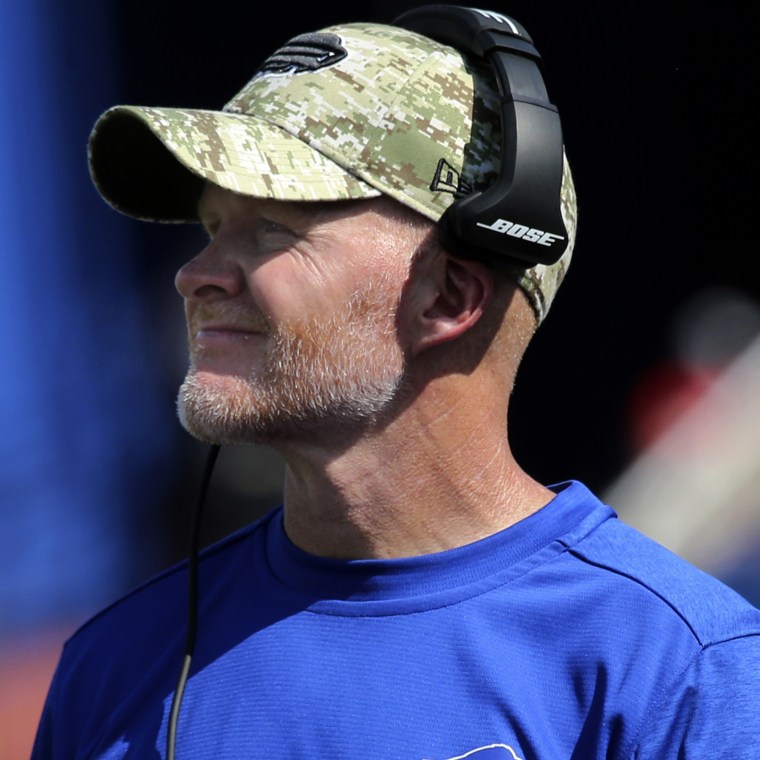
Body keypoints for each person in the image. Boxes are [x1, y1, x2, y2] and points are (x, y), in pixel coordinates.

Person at [33, 7, 760, 759]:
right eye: (214, 229)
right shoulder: (115, 667)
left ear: (448, 298)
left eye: (274, 231)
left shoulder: (681, 670)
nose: (195, 275)